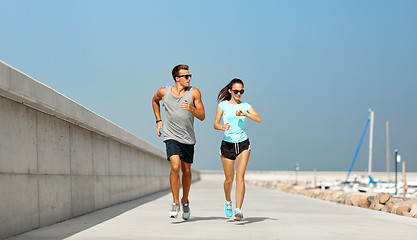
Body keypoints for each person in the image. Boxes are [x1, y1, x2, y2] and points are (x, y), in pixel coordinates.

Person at [152, 64, 205, 220]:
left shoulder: (194, 92)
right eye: (186, 76)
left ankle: (185, 201)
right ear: (177, 78)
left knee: (186, 170)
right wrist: (158, 120)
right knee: (175, 166)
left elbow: (202, 116)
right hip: (171, 135)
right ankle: (175, 202)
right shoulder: (164, 92)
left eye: (190, 76)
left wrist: (191, 108)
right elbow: (154, 101)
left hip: (188, 137)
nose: (189, 79)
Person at [214, 78, 262, 221]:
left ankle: (238, 209)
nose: (239, 94)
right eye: (236, 91)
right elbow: (215, 124)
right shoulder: (223, 106)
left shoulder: (246, 106)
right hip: (227, 144)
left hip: (243, 144)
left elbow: (258, 118)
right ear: (230, 91)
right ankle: (228, 201)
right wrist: (222, 127)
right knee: (229, 180)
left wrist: (246, 114)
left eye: (241, 91)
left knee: (240, 178)